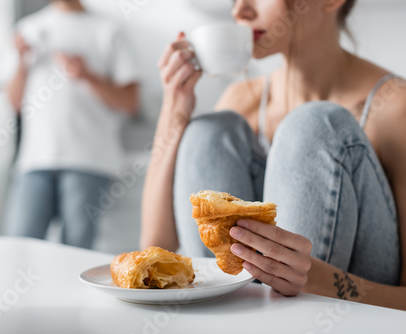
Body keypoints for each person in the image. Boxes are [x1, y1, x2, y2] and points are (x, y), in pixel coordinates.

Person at [141, 0, 406, 310]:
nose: (240, 11)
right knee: (209, 131)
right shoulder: (242, 100)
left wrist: (316, 280)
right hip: (251, 307)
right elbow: (153, 247)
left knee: (311, 125)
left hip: (342, 309)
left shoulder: (395, 108)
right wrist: (175, 108)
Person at [4, 0, 139, 249]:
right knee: (17, 247)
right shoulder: (28, 29)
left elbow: (131, 102)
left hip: (90, 160)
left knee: (75, 251)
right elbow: (13, 103)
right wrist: (22, 63)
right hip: (35, 160)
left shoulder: (108, 29)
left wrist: (87, 75)